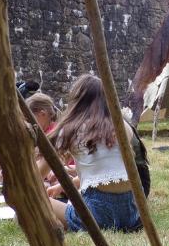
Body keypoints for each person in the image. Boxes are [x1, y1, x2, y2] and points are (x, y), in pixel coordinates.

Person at [45, 74, 141, 232]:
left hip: (97, 213)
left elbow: (40, 170)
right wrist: (62, 186)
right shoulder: (123, 126)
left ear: (76, 101)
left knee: (36, 202)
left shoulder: (71, 129)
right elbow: (105, 172)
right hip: (131, 214)